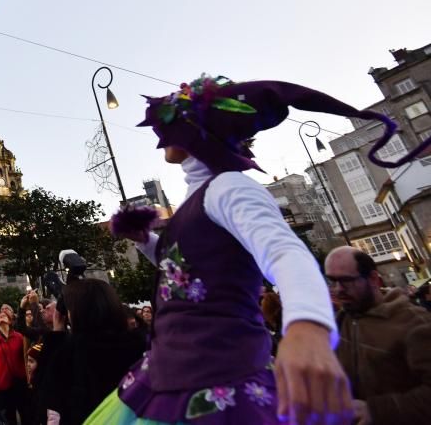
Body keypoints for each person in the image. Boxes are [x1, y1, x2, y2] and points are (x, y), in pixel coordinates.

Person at [91, 74, 431, 424]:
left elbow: (286, 252)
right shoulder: (198, 198)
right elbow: (186, 269)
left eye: (170, 119)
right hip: (168, 373)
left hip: (218, 383)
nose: (159, 132)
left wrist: (307, 327)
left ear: (195, 127)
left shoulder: (230, 187)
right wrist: (145, 241)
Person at [324, 246, 431, 424]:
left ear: (373, 279)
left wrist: (375, 411)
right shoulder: (342, 320)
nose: (338, 289)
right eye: (332, 281)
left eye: (346, 281)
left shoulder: (415, 323)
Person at [40, 279, 145, 424]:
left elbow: (49, 394)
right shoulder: (140, 343)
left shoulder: (72, 350)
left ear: (80, 311)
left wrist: (57, 331)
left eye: (70, 310)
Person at [0, 309, 27, 424]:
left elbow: (25, 357)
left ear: (10, 320)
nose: (1, 317)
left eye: (4, 316)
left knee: (25, 412)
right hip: (3, 382)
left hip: (20, 381)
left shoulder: (19, 337)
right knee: (9, 415)